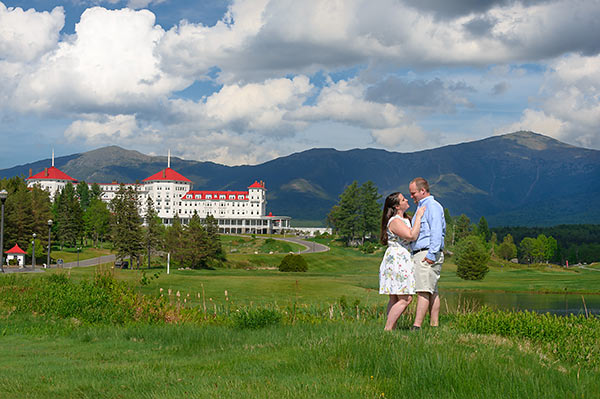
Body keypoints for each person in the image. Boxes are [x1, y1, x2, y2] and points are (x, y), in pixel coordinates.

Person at [379, 192, 426, 331]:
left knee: (394, 299)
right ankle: (388, 329)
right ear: (397, 206)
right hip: (397, 259)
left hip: (401, 258)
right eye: (403, 199)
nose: (406, 200)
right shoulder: (395, 221)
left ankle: (390, 329)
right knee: (406, 299)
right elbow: (411, 235)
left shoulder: (403, 219)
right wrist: (418, 216)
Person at [409, 177, 446, 330]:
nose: (412, 197)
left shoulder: (432, 206)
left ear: (422, 191)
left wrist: (431, 255)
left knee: (423, 290)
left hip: (427, 253)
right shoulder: (422, 207)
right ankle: (434, 325)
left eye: (413, 193)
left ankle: (417, 326)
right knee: (432, 290)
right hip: (423, 253)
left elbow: (436, 231)